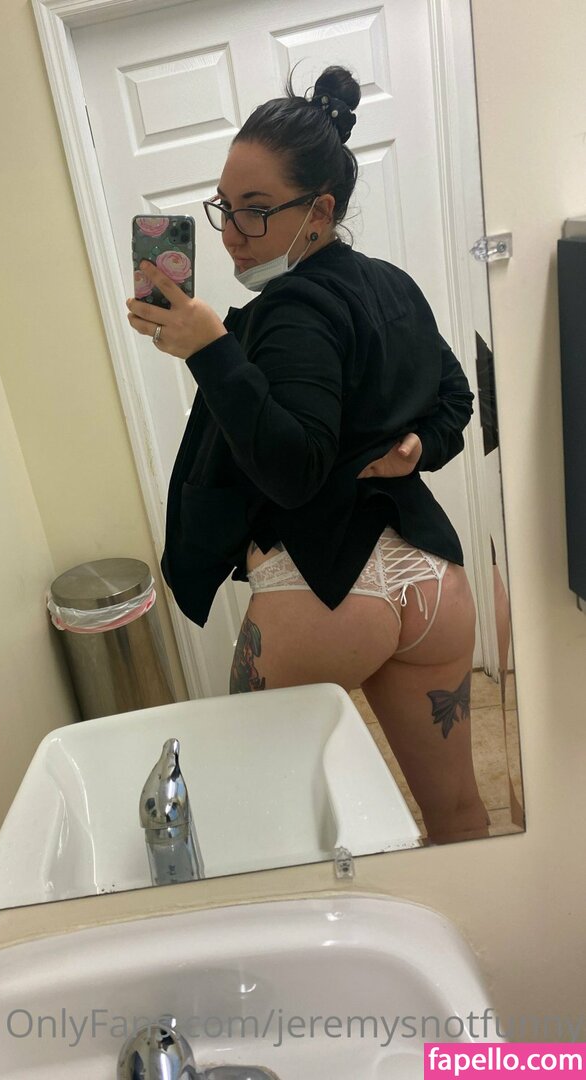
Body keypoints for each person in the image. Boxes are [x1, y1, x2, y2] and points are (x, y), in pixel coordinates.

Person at [126, 65, 488, 845]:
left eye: (255, 210)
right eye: (224, 206)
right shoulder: (392, 285)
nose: (230, 232)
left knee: (258, 830)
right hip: (433, 581)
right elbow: (456, 396)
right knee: (458, 814)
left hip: (324, 592)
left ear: (320, 211)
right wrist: (420, 447)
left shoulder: (290, 307)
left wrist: (212, 349)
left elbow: (295, 472)